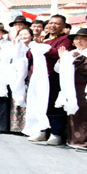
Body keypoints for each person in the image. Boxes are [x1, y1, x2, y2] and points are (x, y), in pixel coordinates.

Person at [56, 28, 87, 150]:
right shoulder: (71, 53)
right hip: (72, 88)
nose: (79, 41)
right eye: (77, 39)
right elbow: (59, 70)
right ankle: (73, 140)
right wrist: (62, 59)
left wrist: (80, 59)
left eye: (83, 39)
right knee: (73, 113)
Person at [34, 15, 74, 145]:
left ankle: (56, 133)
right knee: (41, 103)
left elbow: (58, 54)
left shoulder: (66, 39)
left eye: (57, 24)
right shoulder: (43, 39)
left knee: (54, 104)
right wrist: (37, 46)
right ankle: (42, 130)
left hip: (54, 76)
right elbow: (31, 54)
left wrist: (42, 47)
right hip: (40, 75)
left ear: (63, 26)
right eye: (51, 23)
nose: (53, 26)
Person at [9, 27, 34, 133]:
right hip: (18, 79)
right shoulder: (15, 47)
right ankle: (18, 127)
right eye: (21, 34)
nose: (23, 36)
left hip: (31, 78)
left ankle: (31, 128)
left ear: (32, 36)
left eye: (26, 34)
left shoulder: (35, 47)